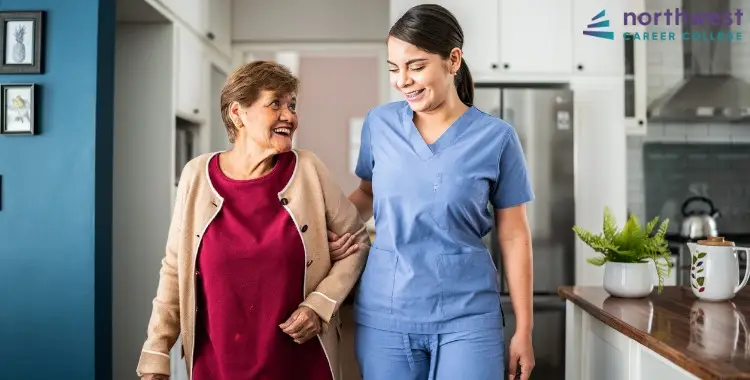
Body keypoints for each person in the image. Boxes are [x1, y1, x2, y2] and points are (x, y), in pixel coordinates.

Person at [330, 4, 536, 380]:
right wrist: (328, 230)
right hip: (386, 313)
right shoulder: (380, 124)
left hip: (468, 316)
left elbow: (515, 233)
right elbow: (367, 194)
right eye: (394, 68)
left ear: (453, 60)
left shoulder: (497, 138)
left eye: (416, 65)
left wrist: (524, 329)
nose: (402, 80)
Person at [136, 61, 370, 380]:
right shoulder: (197, 176)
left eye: (292, 105)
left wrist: (321, 303)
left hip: (299, 362)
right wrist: (156, 352)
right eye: (276, 103)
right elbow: (175, 269)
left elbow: (357, 243)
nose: (289, 116)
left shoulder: (308, 170)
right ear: (238, 112)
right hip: (217, 364)